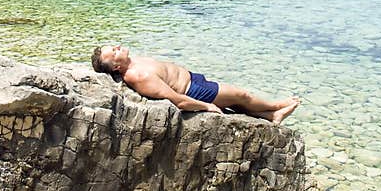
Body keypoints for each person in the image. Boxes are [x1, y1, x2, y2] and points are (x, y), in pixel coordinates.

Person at [91, 44, 300, 125]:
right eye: (114, 51)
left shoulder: (132, 62)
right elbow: (176, 99)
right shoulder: (138, 76)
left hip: (192, 79)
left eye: (115, 46)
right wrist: (206, 106)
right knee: (241, 96)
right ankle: (275, 107)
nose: (118, 47)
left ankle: (271, 116)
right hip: (193, 91)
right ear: (117, 67)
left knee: (236, 105)